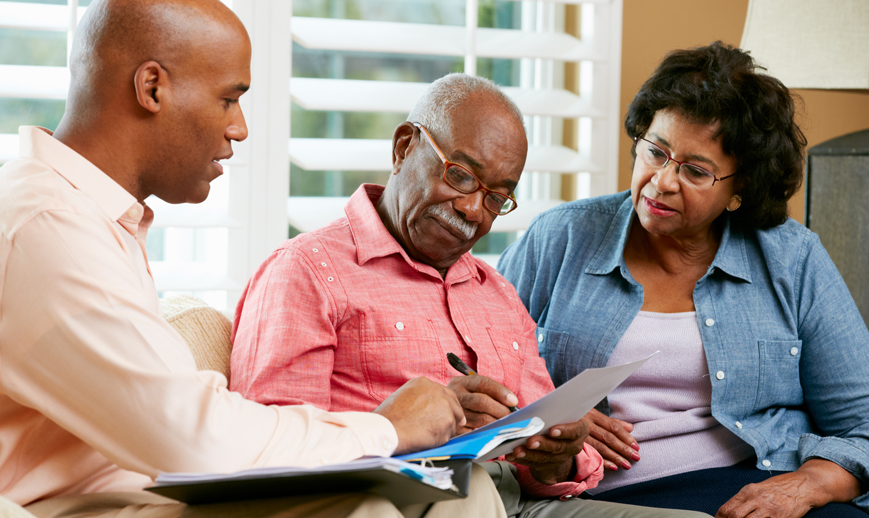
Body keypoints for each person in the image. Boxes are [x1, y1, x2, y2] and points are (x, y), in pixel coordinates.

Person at [0, 2, 509, 517]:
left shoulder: (92, 217)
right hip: (78, 507)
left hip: (136, 494)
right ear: (152, 87)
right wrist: (386, 428)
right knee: (369, 508)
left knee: (463, 490)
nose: (239, 129)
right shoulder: (46, 227)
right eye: (228, 100)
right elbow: (190, 438)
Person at [230, 73, 711, 518]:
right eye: (460, 175)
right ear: (403, 148)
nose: (472, 210)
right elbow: (271, 449)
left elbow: (552, 454)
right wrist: (411, 432)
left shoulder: (496, 291)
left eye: (497, 198)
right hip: (399, 500)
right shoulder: (308, 271)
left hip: (522, 503)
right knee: (468, 488)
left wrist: (557, 457)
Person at [496, 41, 869, 518]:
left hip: (763, 482)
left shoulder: (791, 258)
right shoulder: (562, 237)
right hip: (605, 496)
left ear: (740, 188)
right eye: (656, 152)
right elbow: (477, 365)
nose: (663, 181)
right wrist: (553, 412)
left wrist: (808, 484)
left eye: (695, 170)